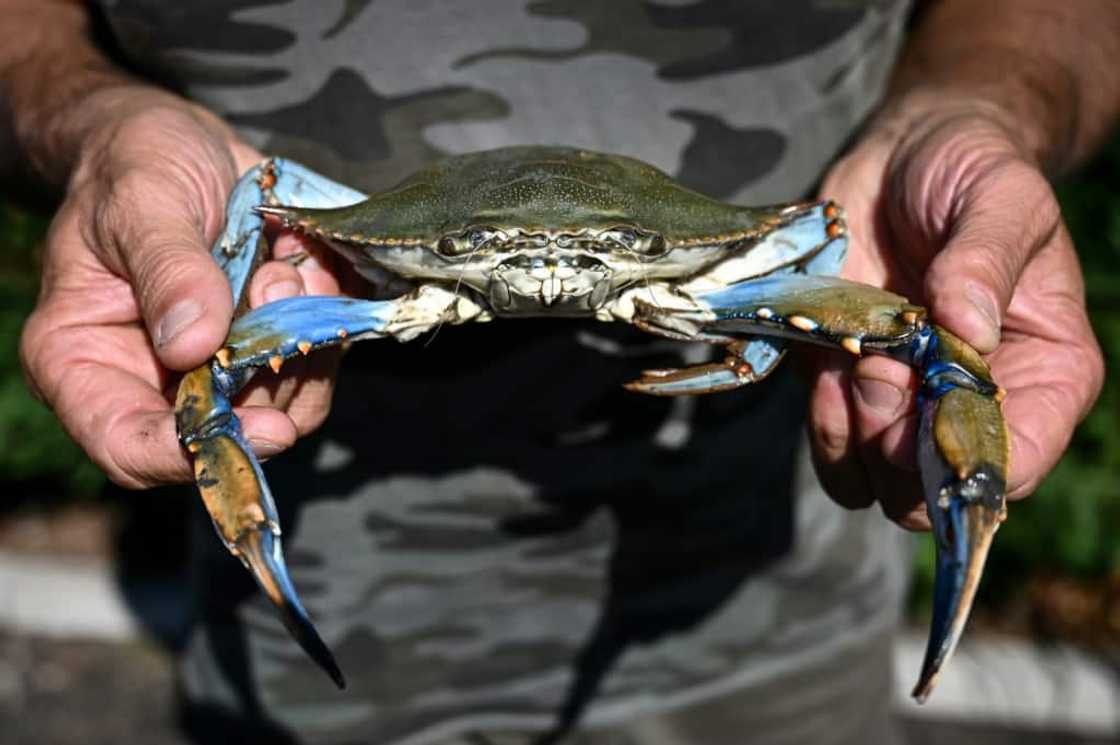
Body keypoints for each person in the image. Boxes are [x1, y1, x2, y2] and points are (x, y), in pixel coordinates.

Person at [5, 1, 1114, 743]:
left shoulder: (784, 249)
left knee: (936, 342)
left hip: (770, 649)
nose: (546, 278)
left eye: (596, 259)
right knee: (212, 387)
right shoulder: (325, 229)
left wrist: (982, 105)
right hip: (292, 678)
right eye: (490, 258)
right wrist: (94, 121)